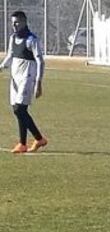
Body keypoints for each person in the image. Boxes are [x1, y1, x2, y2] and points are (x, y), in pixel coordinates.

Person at [0, 10, 46, 153]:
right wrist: (1, 67)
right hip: (15, 78)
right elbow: (10, 56)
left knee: (20, 109)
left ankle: (39, 139)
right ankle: (23, 144)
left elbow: (40, 62)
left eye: (17, 22)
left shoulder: (32, 40)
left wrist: (38, 82)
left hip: (27, 78)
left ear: (25, 22)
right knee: (17, 110)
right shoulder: (13, 38)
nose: (14, 25)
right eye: (12, 22)